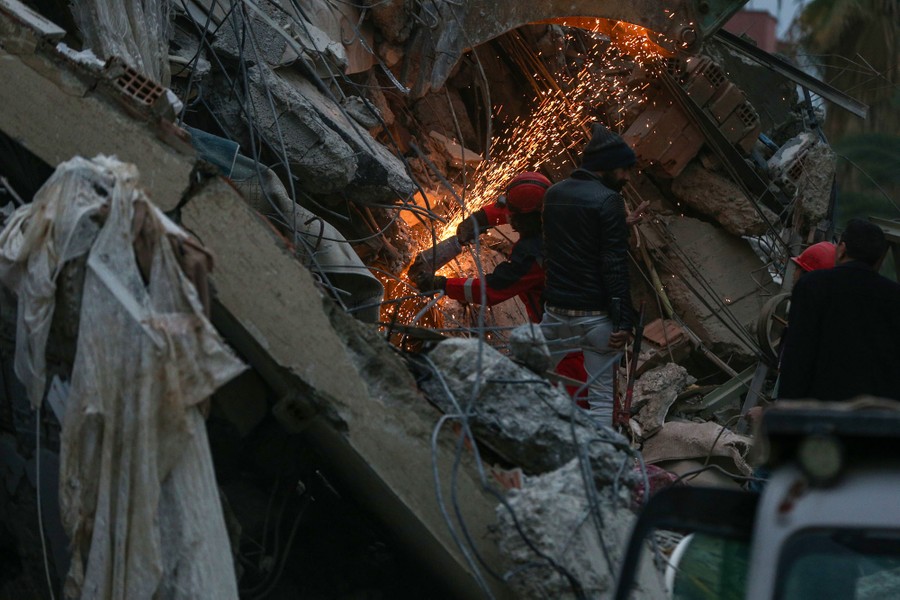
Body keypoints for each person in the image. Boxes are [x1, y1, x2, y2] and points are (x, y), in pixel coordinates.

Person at [414, 172, 590, 400]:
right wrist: (479, 219)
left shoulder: (536, 257)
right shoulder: (558, 210)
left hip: (574, 340)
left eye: (514, 214)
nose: (509, 217)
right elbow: (517, 210)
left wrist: (442, 284)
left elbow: (492, 289)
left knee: (577, 399)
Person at [540, 123, 637, 425]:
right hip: (595, 319)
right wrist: (623, 319)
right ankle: (598, 462)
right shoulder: (610, 200)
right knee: (601, 399)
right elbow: (614, 263)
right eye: (623, 170)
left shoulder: (553, 193)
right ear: (606, 166)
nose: (626, 177)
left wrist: (621, 225)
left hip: (555, 313)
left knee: (530, 381)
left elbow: (567, 246)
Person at [778, 219, 900, 401]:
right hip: (876, 416)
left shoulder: (812, 285)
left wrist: (785, 413)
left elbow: (797, 357)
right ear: (878, 260)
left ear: (842, 249)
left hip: (820, 413)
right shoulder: (894, 296)